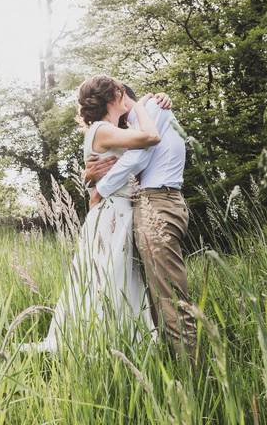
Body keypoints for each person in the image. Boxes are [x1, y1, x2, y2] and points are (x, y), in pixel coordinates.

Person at [20, 75, 171, 353]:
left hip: (117, 212)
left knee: (115, 282)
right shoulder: (102, 129)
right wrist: (141, 106)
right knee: (107, 283)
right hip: (112, 215)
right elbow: (150, 137)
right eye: (121, 91)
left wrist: (158, 98)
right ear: (115, 96)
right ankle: (99, 347)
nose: (125, 94)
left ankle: (119, 346)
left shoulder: (109, 129)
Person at [84, 81, 196, 355]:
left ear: (122, 97)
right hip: (146, 204)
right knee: (150, 296)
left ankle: (193, 381)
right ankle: (168, 366)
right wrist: (89, 175)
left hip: (157, 203)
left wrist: (100, 188)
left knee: (168, 298)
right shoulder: (132, 123)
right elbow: (113, 160)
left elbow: (137, 160)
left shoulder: (150, 108)